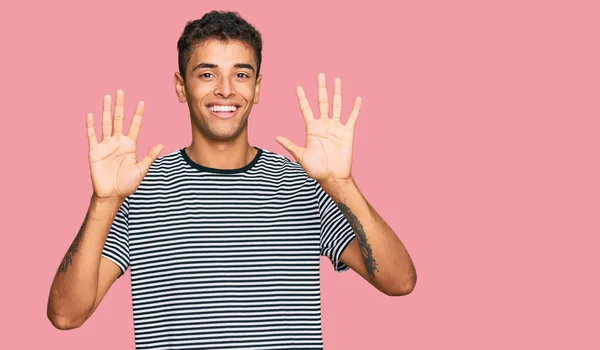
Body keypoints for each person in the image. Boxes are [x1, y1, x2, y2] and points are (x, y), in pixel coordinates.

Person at [47, 10, 417, 349]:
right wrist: (105, 201)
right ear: (180, 86)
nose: (225, 89)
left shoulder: (303, 184)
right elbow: (66, 315)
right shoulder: (137, 187)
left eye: (241, 74)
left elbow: (399, 282)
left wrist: (342, 184)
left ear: (257, 88)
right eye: (207, 74)